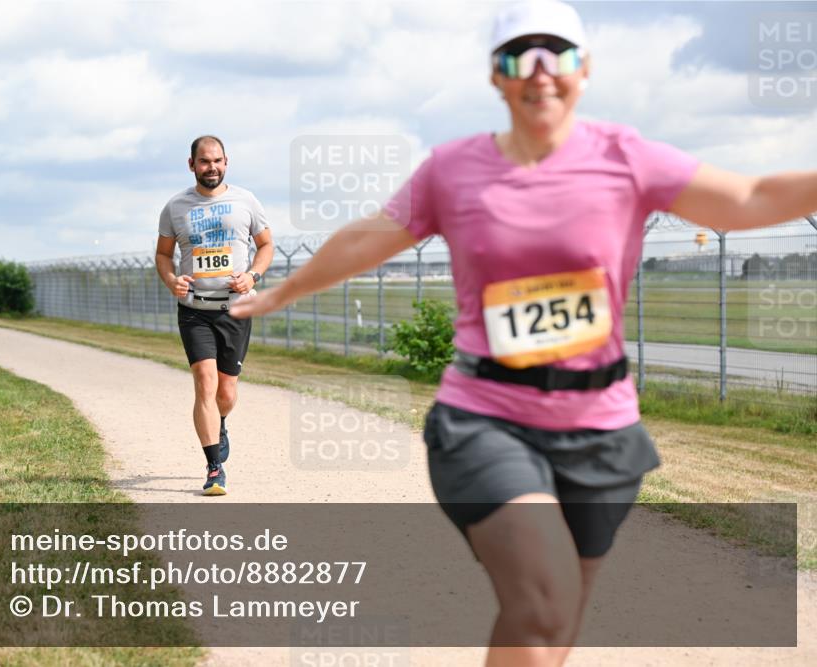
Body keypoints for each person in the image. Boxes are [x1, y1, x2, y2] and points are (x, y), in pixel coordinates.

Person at [231, 1, 817, 664]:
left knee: (551, 621)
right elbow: (370, 236)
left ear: (585, 69)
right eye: (519, 55)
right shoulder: (452, 168)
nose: (540, 71)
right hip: (486, 417)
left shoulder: (627, 157)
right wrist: (283, 290)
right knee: (543, 601)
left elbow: (752, 196)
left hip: (603, 428)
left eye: (557, 53)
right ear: (496, 76)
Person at [156, 135, 274, 496]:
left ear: (227, 162)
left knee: (226, 391)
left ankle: (220, 422)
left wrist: (252, 275)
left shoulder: (246, 201)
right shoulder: (175, 207)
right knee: (205, 382)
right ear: (191, 164)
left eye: (218, 161)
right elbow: (163, 255)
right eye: (205, 161)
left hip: (235, 308)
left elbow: (266, 245)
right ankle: (213, 468)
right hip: (195, 310)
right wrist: (172, 279)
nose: (212, 168)